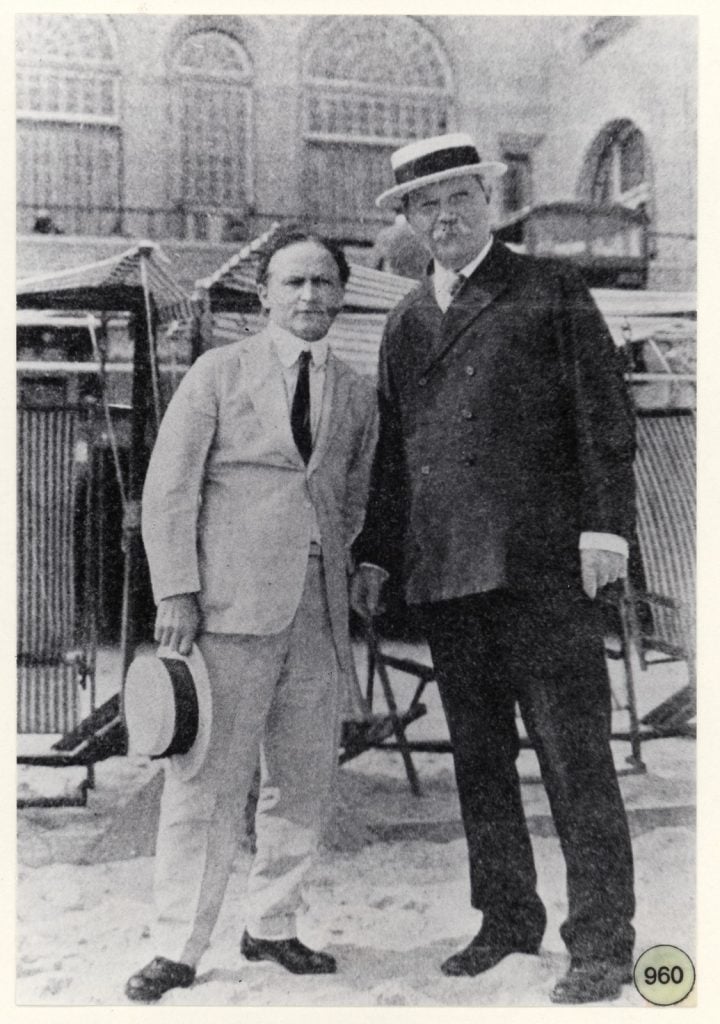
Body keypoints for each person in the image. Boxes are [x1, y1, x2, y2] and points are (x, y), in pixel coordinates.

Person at [351, 133, 637, 1004]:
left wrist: (604, 533)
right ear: (406, 220)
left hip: (542, 571)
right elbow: (397, 457)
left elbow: (605, 419)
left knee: (572, 758)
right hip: (448, 578)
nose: (444, 217)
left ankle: (603, 941)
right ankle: (508, 917)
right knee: (478, 762)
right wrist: (374, 553)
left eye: (458, 199)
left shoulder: (549, 288)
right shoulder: (405, 321)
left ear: (487, 199)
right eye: (425, 206)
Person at [125, 226, 378, 1001]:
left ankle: (272, 924)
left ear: (342, 295)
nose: (310, 297)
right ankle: (177, 944)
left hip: (318, 612)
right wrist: (176, 590)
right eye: (294, 283)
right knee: (206, 783)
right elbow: (170, 488)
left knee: (301, 781)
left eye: (323, 284)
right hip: (227, 612)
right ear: (264, 294)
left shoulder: (360, 391)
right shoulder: (217, 372)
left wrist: (354, 566)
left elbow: (354, 495)